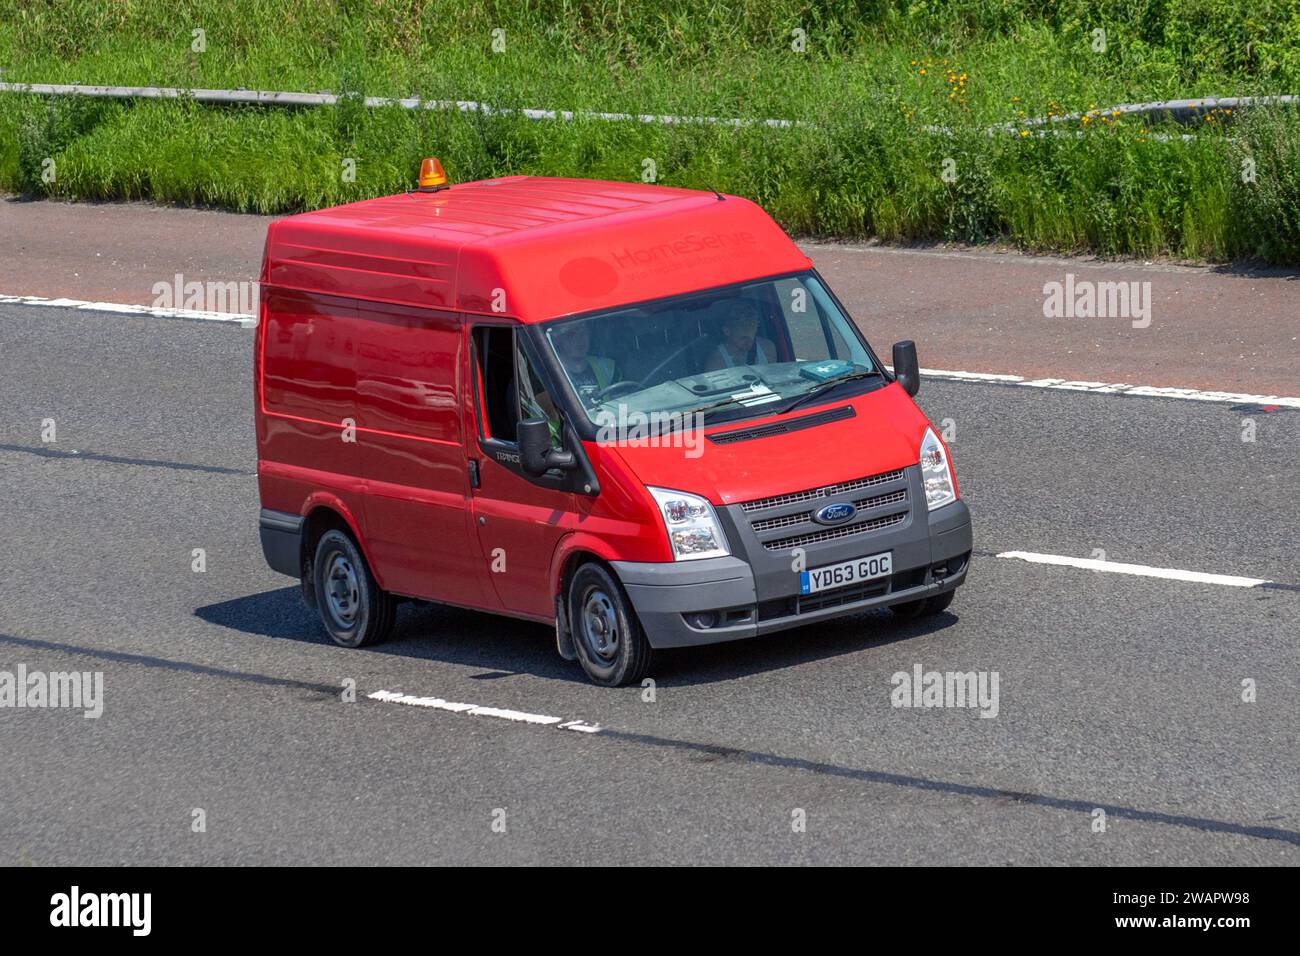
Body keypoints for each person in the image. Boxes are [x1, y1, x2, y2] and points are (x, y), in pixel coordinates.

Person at [551, 321, 617, 404]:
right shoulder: (550, 373)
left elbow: (624, 400)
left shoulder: (606, 366)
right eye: (570, 334)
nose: (579, 339)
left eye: (583, 332)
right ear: (557, 340)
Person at [704, 299, 777, 371]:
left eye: (752, 337)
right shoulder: (717, 362)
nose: (749, 343)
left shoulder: (767, 348)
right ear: (727, 331)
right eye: (743, 338)